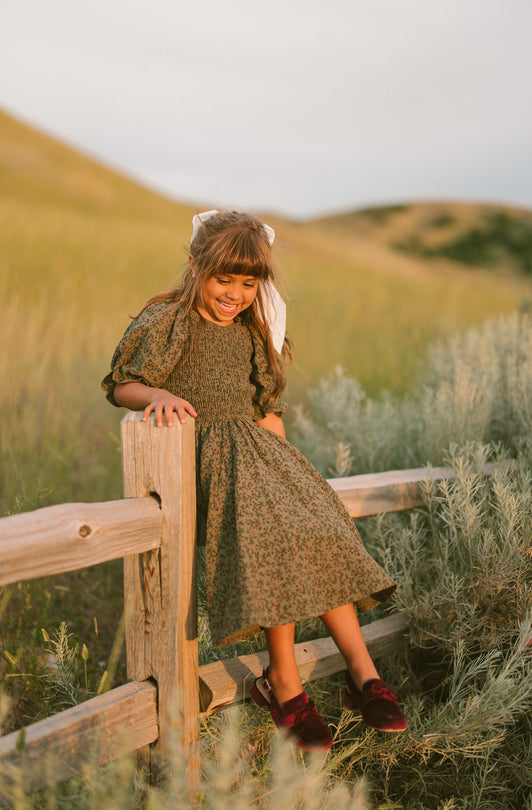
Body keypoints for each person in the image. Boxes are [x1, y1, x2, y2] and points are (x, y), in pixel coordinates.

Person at [102, 209, 407, 752]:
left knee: (317, 529)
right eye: (224, 280)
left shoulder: (249, 332)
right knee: (276, 540)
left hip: (261, 460)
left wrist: (292, 478)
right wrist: (158, 396)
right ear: (195, 265)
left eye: (249, 284)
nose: (235, 294)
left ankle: (364, 673)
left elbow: (267, 413)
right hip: (210, 464)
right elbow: (125, 383)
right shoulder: (170, 321)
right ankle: (284, 685)